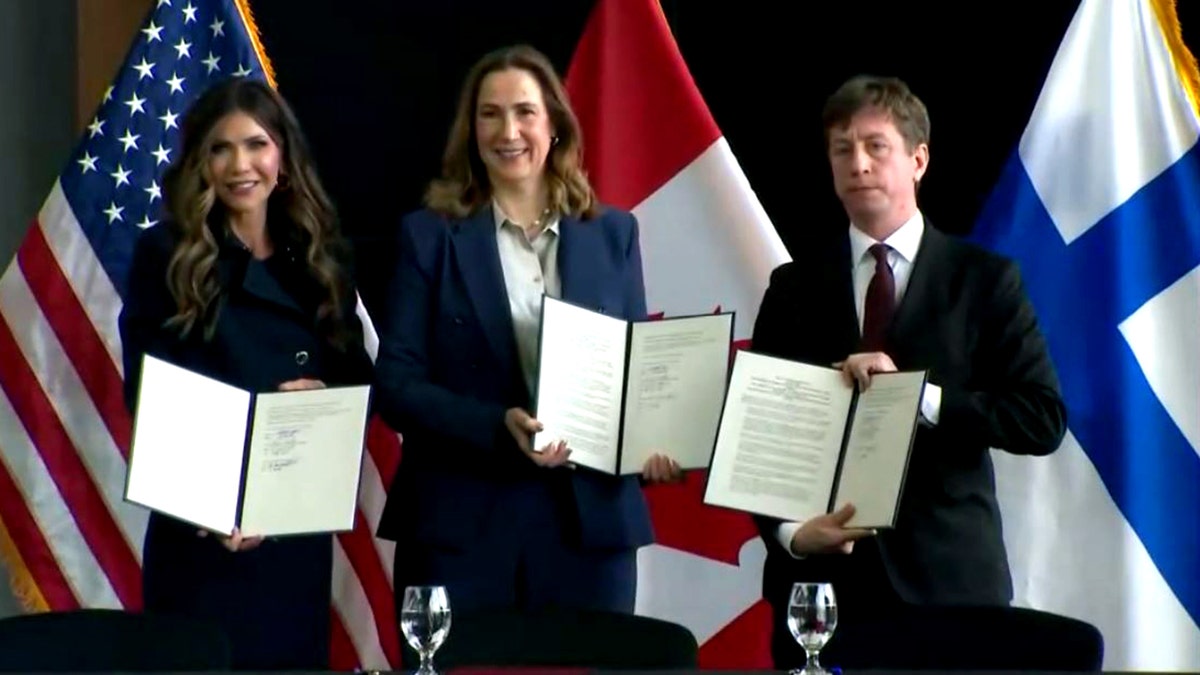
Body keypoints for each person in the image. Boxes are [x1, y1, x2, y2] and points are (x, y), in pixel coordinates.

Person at [749, 74, 1068, 668]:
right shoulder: (793, 287)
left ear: (918, 160)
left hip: (950, 586)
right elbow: (758, 433)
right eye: (842, 149)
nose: (858, 163)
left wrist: (919, 398)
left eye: (876, 146)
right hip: (823, 592)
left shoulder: (985, 280)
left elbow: (1041, 418)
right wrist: (791, 532)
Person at [374, 44, 683, 620]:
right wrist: (496, 424)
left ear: (555, 126)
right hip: (460, 527)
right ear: (471, 129)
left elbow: (639, 371)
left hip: (588, 530)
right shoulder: (429, 236)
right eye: (489, 113)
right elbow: (395, 385)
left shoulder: (613, 232)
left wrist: (655, 441)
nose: (508, 130)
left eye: (524, 112)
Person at [118, 77, 373, 670]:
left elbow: (362, 386)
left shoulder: (321, 256)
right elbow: (148, 395)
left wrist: (320, 398)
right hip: (201, 538)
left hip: (291, 542)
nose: (240, 165)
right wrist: (219, 504)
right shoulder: (165, 256)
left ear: (282, 157)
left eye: (255, 144)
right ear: (199, 163)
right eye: (220, 148)